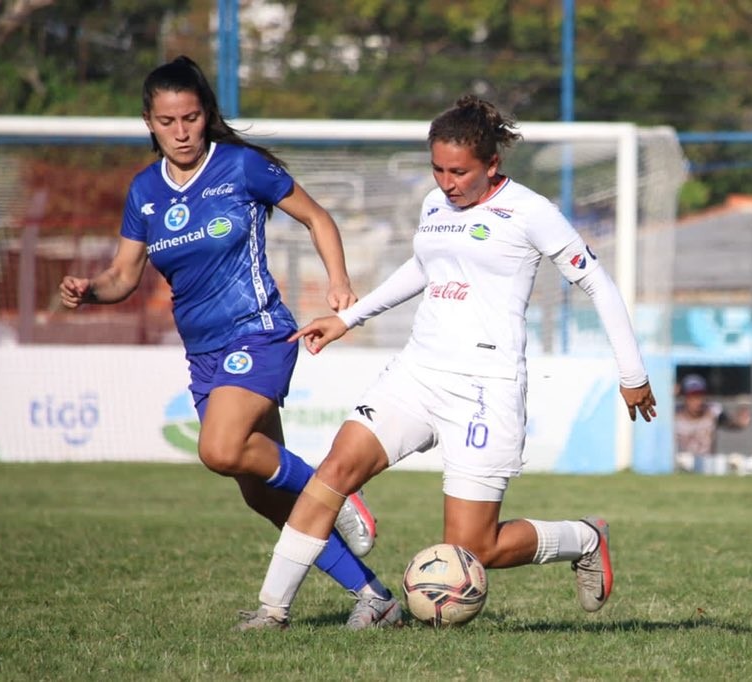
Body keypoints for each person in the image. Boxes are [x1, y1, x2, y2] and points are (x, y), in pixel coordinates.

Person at [248, 95, 657, 627]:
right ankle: (270, 613)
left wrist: (632, 374)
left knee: (474, 548)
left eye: (459, 172)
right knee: (333, 471)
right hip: (418, 372)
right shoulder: (435, 206)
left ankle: (584, 537)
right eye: (437, 169)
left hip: (486, 387)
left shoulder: (532, 211)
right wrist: (350, 319)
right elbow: (422, 268)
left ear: (493, 164)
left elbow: (597, 285)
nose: (447, 182)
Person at [57, 55, 400, 630]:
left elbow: (317, 218)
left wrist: (339, 280)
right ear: (149, 121)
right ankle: (375, 596)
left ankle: (334, 491)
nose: (182, 131)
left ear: (206, 115)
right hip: (204, 354)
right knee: (262, 494)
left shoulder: (241, 167)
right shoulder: (144, 192)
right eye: (168, 121)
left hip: (260, 330)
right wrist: (90, 290)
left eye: (191, 117)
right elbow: (123, 276)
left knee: (218, 449)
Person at [673, 373, 752, 474]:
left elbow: (729, 423)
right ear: (685, 397)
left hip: (707, 465)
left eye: (700, 395)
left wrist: (740, 423)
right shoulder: (674, 413)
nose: (697, 400)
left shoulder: (712, 411)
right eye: (693, 396)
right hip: (680, 465)